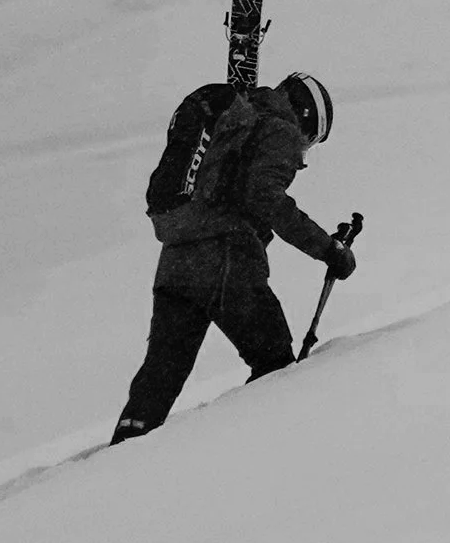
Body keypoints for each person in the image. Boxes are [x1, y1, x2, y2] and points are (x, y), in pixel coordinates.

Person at [113, 68, 354, 440]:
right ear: (305, 119)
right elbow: (265, 199)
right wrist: (328, 249)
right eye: (312, 139)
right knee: (274, 363)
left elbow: (236, 193)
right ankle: (254, 455)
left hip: (177, 260)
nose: (305, 149)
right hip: (226, 259)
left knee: (160, 376)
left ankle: (120, 456)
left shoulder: (240, 122)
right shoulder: (280, 130)